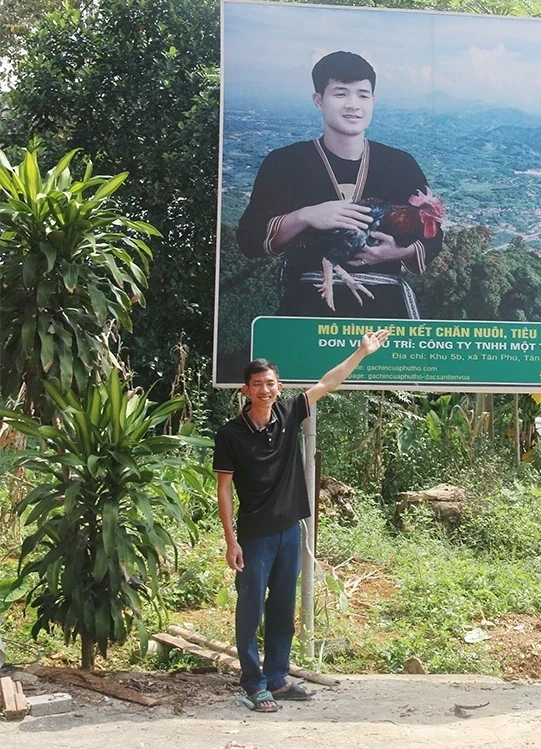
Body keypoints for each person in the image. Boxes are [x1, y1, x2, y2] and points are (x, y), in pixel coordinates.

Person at [212, 329, 389, 713]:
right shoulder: (230, 434)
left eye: (270, 384)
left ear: (279, 387)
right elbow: (224, 489)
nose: (265, 390)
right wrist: (231, 540)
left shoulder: (290, 412)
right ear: (245, 391)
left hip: (289, 530)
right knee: (251, 608)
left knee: (282, 607)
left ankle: (277, 677)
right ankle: (253, 682)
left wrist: (361, 352)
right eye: (257, 385)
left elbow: (330, 381)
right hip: (255, 535)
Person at [236, 51, 443, 317]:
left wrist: (397, 252)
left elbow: (433, 237)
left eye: (362, 95)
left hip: (384, 309)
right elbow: (250, 238)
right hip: (307, 307)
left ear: (373, 101)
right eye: (341, 93)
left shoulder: (401, 165)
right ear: (318, 100)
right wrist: (306, 216)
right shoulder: (284, 163)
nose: (353, 104)